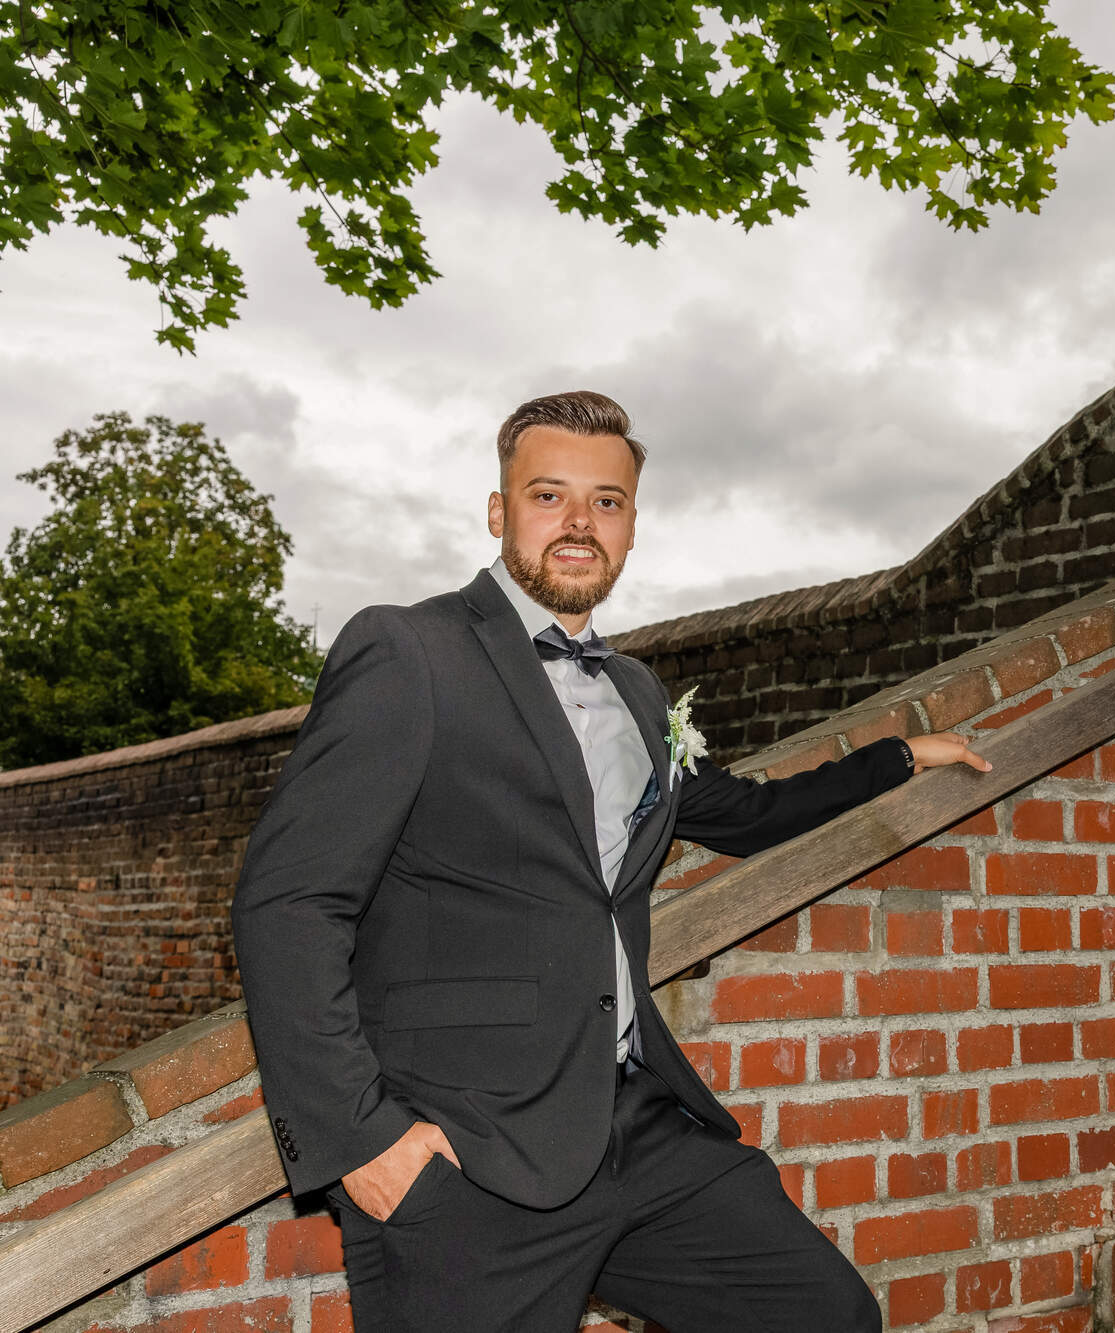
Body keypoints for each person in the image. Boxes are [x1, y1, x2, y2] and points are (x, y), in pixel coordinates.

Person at [231, 390, 991, 1332]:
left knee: (826, 1313)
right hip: (468, 1155)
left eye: (607, 501)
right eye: (549, 495)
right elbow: (289, 900)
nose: (580, 522)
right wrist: (363, 1140)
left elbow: (744, 812)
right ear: (500, 510)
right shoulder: (409, 652)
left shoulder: (636, 689)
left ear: (632, 524)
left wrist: (900, 757)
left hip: (635, 1125)